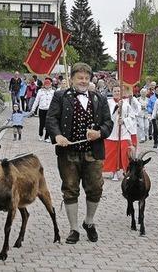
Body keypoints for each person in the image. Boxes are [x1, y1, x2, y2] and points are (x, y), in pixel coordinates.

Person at [46, 62, 113, 244]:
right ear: (72, 79)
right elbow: (51, 119)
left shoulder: (99, 98)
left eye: (86, 78)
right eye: (79, 78)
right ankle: (73, 228)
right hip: (68, 153)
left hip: (93, 152)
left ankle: (89, 222)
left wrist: (99, 133)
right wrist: (58, 135)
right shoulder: (60, 96)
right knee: (70, 189)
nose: (83, 81)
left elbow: (108, 123)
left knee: (96, 189)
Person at [104, 85, 139, 181]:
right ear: (112, 91)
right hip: (113, 132)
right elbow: (107, 116)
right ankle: (114, 172)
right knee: (113, 152)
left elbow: (132, 117)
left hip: (123, 131)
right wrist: (116, 108)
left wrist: (124, 120)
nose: (117, 93)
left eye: (119, 91)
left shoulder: (126, 104)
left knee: (125, 151)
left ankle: (127, 171)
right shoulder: (108, 103)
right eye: (115, 91)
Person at [31, 77, 55, 142]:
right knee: (41, 123)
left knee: (48, 124)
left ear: (50, 85)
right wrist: (33, 109)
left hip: (49, 110)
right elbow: (36, 101)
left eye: (48, 84)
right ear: (44, 85)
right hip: (42, 109)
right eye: (46, 84)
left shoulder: (53, 92)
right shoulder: (40, 91)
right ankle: (40, 135)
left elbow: (55, 102)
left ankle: (47, 137)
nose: (47, 86)